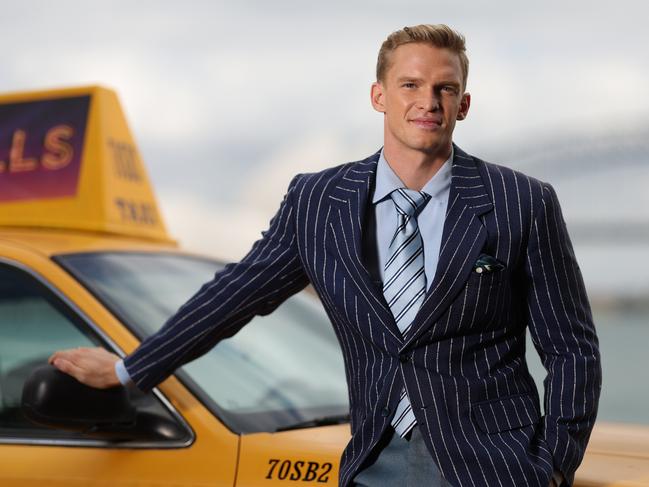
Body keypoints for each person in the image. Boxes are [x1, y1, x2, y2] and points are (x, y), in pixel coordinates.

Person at [49, 24, 601, 487]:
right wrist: (129, 369)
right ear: (379, 95)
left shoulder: (521, 201)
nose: (427, 102)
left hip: (494, 469)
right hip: (372, 465)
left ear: (465, 103)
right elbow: (235, 295)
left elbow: (571, 347)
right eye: (410, 84)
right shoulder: (318, 201)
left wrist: (552, 467)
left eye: (445, 88)